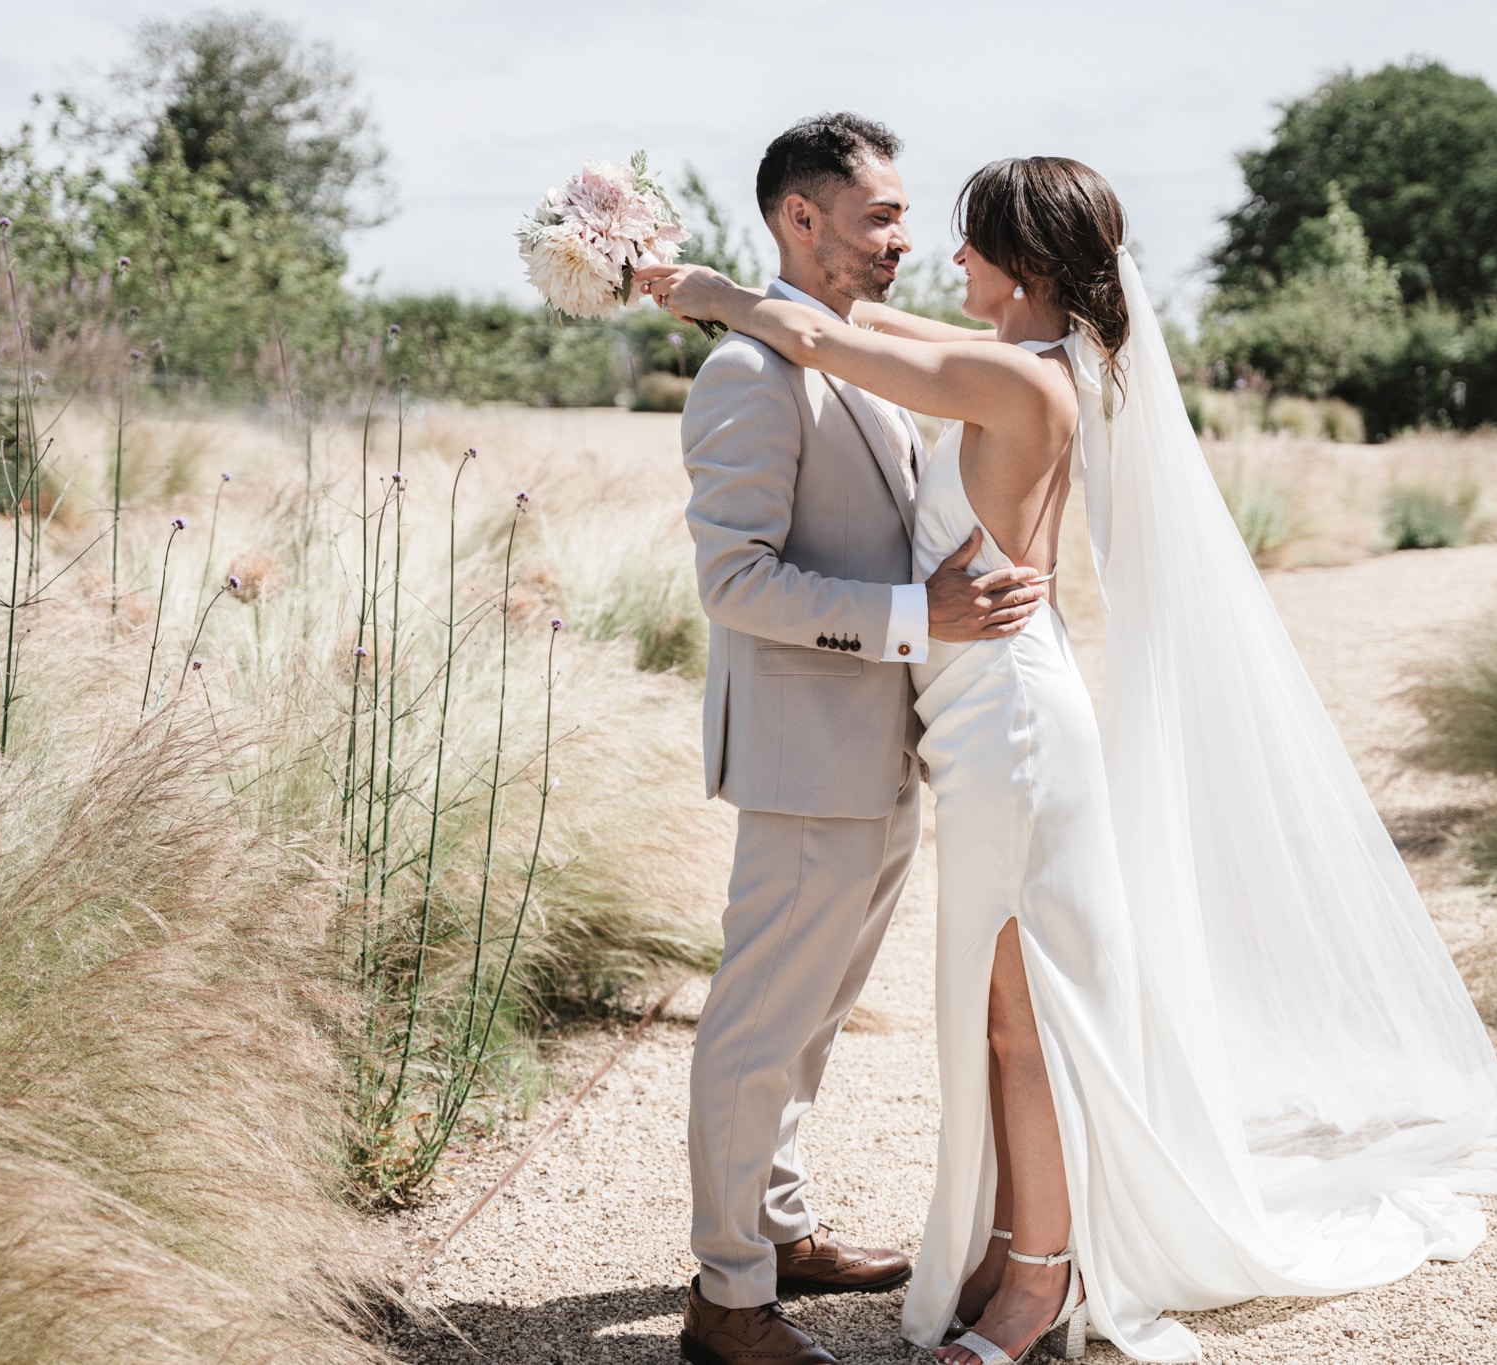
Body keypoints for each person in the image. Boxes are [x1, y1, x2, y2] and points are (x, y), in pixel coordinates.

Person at [643, 156, 1497, 1365]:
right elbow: (855, 330)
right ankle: (1005, 1248)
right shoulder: (1032, 359)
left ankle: (1039, 1280)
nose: (945, 258)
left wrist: (708, 291)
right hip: (981, 718)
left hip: (1007, 723)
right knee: (1007, 1011)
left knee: (1022, 1019)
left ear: (1023, 265)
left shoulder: (1012, 380)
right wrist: (751, 300)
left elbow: (825, 338)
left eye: (968, 242)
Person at [673, 114, 1049, 1365]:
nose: (902, 240)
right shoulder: (749, 372)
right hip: (801, 758)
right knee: (756, 1028)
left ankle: (776, 1230)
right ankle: (727, 1300)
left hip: (881, 751)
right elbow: (733, 581)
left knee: (813, 1015)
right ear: (800, 217)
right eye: (879, 215)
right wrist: (916, 616)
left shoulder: (854, 355)